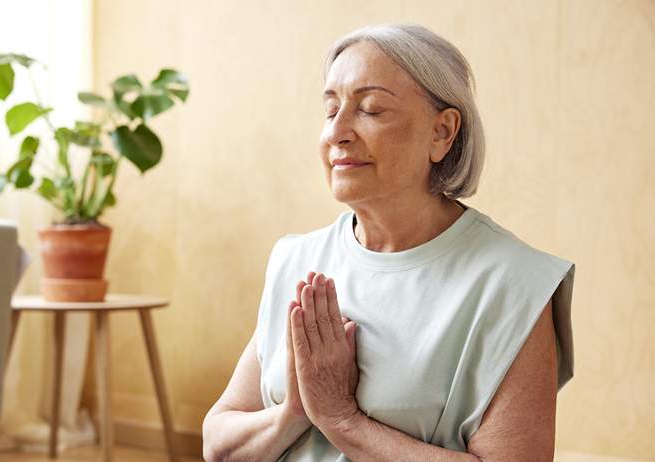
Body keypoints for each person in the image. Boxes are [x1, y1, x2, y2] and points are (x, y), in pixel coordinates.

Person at [202, 22, 575, 462]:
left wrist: (343, 419)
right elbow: (218, 444)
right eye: (330, 109)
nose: (337, 132)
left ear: (442, 133)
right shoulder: (296, 259)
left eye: (372, 109)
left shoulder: (515, 284)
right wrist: (295, 413)